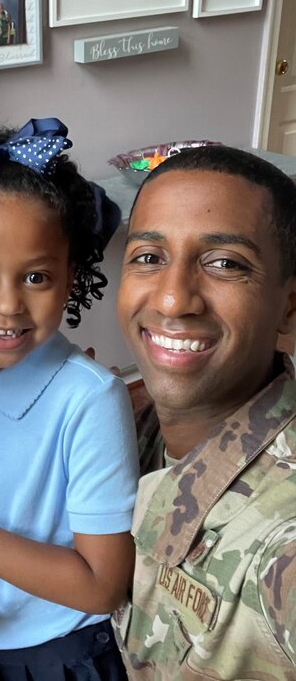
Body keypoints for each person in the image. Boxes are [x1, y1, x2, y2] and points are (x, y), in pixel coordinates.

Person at [0, 117, 140, 680]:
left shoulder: (91, 401)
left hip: (58, 661)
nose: (8, 305)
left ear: (71, 278)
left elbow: (103, 585)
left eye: (36, 278)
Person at [114, 145, 296, 679]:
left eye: (225, 264)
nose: (173, 300)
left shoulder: (280, 546)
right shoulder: (131, 428)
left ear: (289, 310)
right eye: (149, 256)